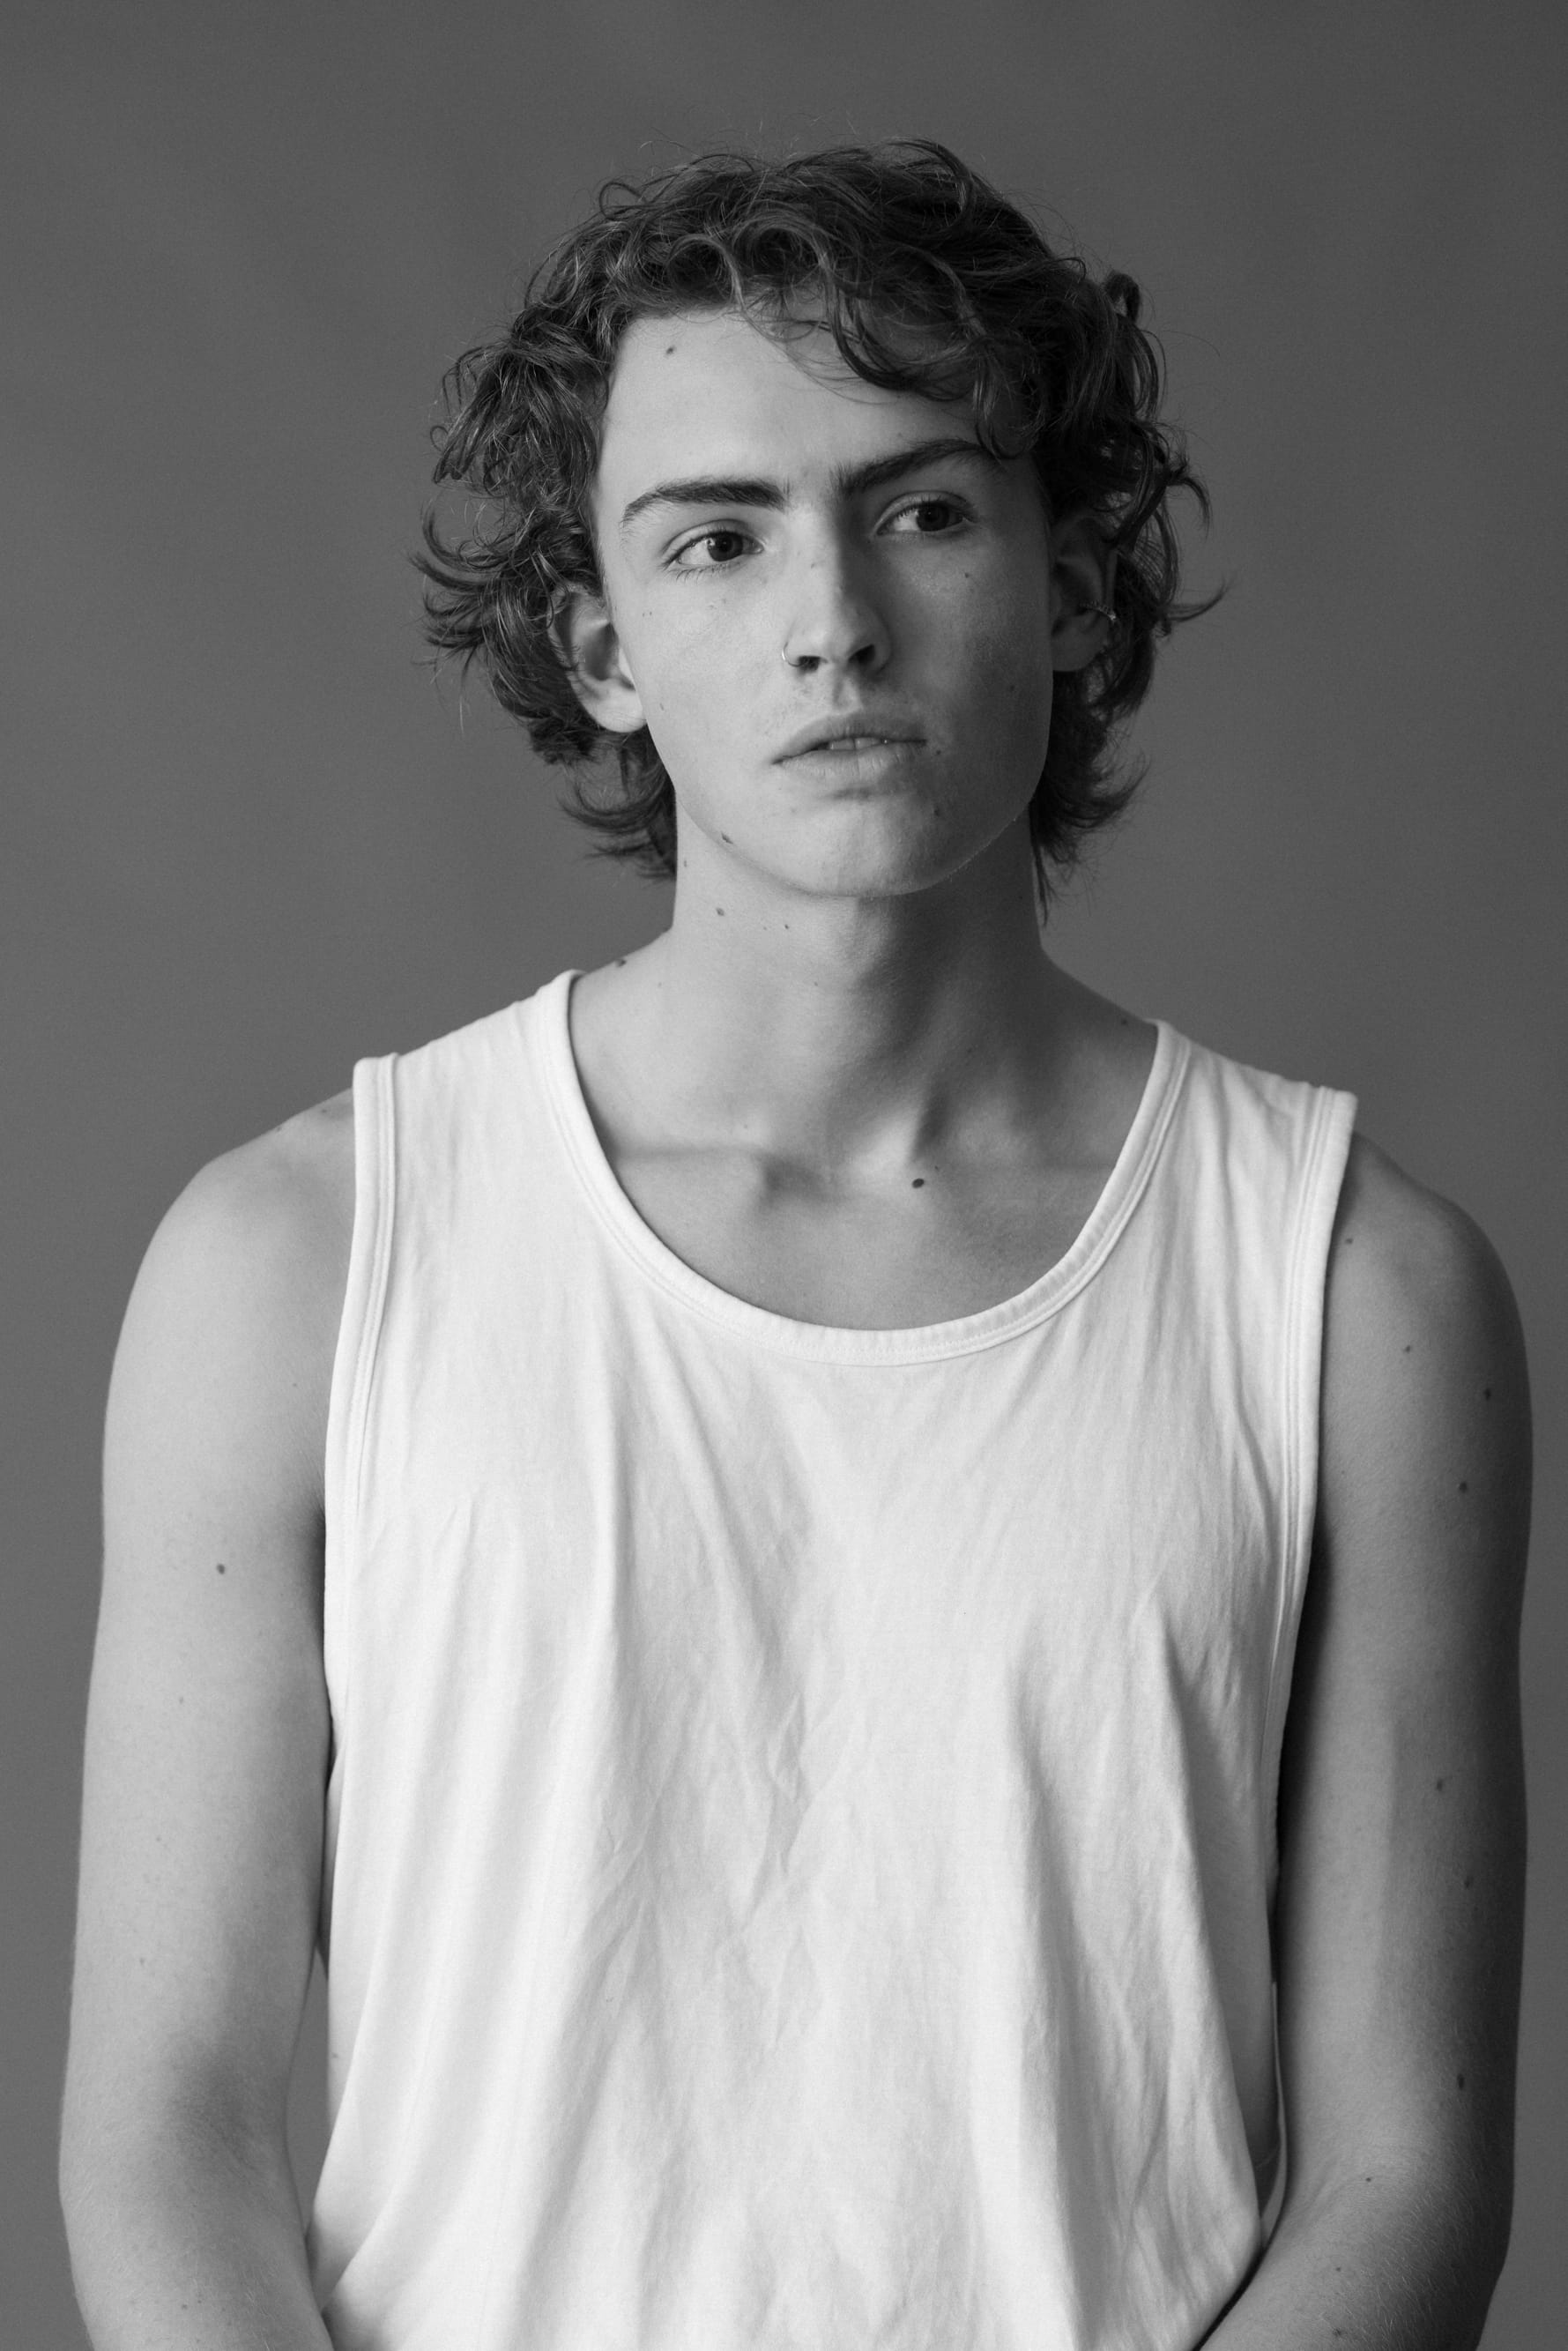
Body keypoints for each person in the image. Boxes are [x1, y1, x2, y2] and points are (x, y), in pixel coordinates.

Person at [59, 143, 1530, 2351]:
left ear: (1068, 582)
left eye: (923, 507)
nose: (831, 614)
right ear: (605, 647)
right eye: (717, 538)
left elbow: (1402, 2174)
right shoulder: (293, 1261)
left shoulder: (1350, 1293)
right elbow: (164, 2122)